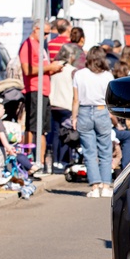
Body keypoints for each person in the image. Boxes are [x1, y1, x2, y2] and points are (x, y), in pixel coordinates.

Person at [19, 20, 64, 172]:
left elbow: (42, 68)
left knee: (44, 129)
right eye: (44, 33)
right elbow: (27, 69)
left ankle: (41, 162)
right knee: (32, 127)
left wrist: (53, 69)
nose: (46, 36)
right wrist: (49, 67)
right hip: (33, 90)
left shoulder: (40, 47)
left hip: (44, 91)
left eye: (48, 34)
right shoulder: (28, 45)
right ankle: (28, 160)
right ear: (36, 29)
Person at [72, 45, 115, 198]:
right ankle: (106, 186)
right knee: (105, 150)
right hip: (101, 110)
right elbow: (111, 99)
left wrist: (74, 117)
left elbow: (76, 99)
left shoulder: (79, 74)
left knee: (89, 152)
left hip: (84, 111)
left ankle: (95, 187)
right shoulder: (107, 76)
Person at [48, 42, 80, 173]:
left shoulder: (53, 68)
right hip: (66, 105)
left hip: (53, 104)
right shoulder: (73, 71)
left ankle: (55, 161)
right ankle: (63, 161)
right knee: (67, 135)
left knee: (55, 134)